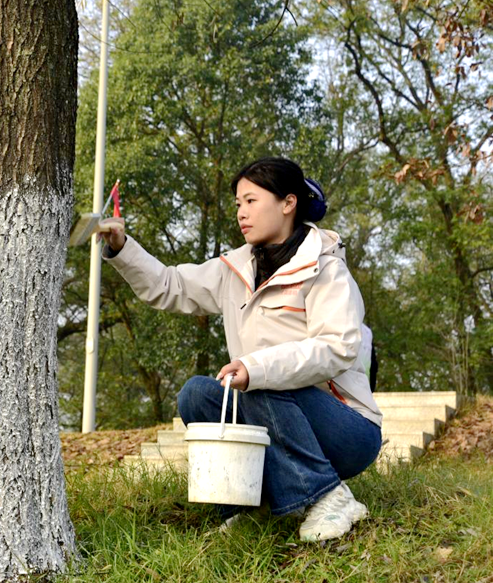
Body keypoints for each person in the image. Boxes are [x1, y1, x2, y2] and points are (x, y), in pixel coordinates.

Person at [98, 157, 382, 542]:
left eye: (251, 201)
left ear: (288, 203)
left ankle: (329, 495)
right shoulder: (234, 268)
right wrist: (122, 247)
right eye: (237, 204)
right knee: (197, 394)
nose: (241, 213)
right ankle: (248, 506)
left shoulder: (325, 267)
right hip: (271, 408)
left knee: (258, 381)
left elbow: (338, 348)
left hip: (346, 429)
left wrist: (257, 367)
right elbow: (169, 286)